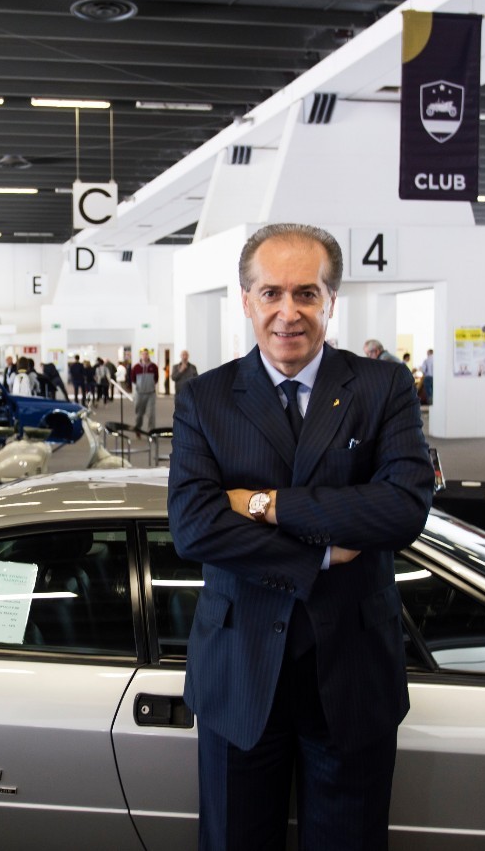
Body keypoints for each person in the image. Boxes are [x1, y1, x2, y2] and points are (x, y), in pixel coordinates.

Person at [167, 223, 433, 850]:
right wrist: (319, 553)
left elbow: (402, 509)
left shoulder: (382, 387)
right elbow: (194, 525)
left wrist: (264, 504)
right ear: (246, 300)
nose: (288, 313)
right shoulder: (206, 398)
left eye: (307, 294)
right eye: (271, 293)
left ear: (331, 301)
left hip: (352, 673)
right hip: (238, 673)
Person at [131, 348, 160, 433]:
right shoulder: (136, 367)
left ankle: (151, 432)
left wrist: (149, 385)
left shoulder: (153, 366)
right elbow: (133, 379)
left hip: (151, 394)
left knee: (151, 414)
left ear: (148, 355)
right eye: (143, 354)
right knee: (139, 414)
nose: (145, 356)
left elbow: (156, 378)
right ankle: (138, 429)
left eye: (146, 354)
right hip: (139, 394)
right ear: (141, 355)